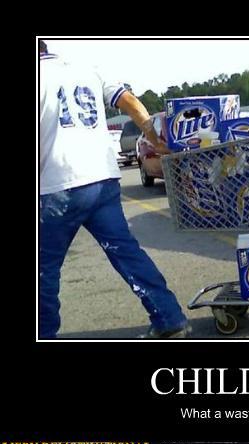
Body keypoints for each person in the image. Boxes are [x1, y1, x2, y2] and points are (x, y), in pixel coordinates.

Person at [39, 41, 188, 339]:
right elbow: (129, 100)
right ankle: (169, 317)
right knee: (126, 252)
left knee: (44, 269)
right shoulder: (87, 69)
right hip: (102, 178)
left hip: (59, 183)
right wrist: (153, 138)